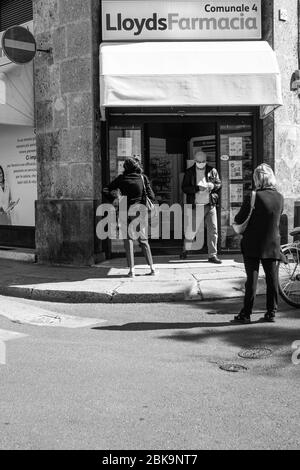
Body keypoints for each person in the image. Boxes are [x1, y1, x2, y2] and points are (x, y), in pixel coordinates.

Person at [232, 163, 284, 324]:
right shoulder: (280, 197)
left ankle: (246, 314)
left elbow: (240, 219)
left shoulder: (254, 196)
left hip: (253, 243)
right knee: (272, 278)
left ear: (257, 179)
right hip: (272, 243)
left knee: (252, 279)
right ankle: (271, 312)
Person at [107, 157, 157, 278]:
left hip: (124, 209)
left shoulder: (121, 179)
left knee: (128, 240)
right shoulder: (142, 178)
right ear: (136, 166)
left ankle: (132, 271)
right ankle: (152, 268)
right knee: (143, 240)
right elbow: (152, 196)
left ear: (125, 167)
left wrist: (114, 198)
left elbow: (107, 189)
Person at [181, 150, 222, 263]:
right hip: (197, 205)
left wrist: (212, 185)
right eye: (199, 161)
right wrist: (197, 188)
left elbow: (219, 184)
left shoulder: (212, 170)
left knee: (213, 230)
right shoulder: (189, 172)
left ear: (206, 161)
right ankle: (185, 249)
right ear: (195, 161)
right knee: (192, 230)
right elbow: (184, 188)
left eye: (203, 161)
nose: (201, 163)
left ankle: (212, 255)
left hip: (210, 204)